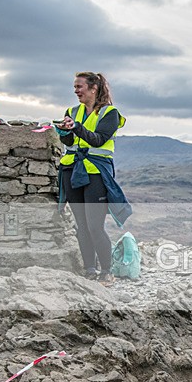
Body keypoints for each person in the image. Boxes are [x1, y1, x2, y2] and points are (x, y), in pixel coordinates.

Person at [55, 71, 132, 285]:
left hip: (96, 173)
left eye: (79, 86)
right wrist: (64, 132)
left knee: (94, 226)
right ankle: (89, 269)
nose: (76, 91)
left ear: (93, 88)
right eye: (74, 87)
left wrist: (76, 127)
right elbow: (70, 141)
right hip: (72, 170)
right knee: (81, 226)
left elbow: (98, 140)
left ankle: (106, 271)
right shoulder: (72, 111)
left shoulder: (110, 113)